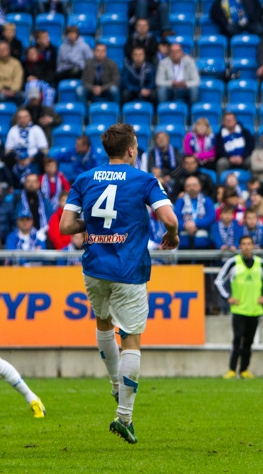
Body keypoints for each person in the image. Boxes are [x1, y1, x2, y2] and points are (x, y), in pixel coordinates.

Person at [59, 123, 179, 444]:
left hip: (95, 267)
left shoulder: (84, 179)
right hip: (129, 269)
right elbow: (169, 218)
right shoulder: (144, 180)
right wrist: (173, 235)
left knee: (103, 324)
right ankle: (124, 416)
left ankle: (115, 384)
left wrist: (93, 222)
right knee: (132, 338)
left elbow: (66, 225)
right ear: (130, 150)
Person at [216, 235, 263, 379]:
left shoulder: (260, 263)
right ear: (240, 246)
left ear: (253, 246)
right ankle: (231, 369)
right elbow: (219, 280)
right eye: (244, 244)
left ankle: (244, 370)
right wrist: (227, 297)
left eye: (249, 244)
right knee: (237, 338)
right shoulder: (233, 262)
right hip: (239, 308)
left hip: (254, 309)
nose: (247, 247)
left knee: (249, 341)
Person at [173, 175, 215, 249]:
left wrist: (195, 223)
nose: (191, 188)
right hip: (184, 242)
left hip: (203, 242)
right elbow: (175, 219)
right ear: (185, 188)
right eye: (188, 186)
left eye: (194, 185)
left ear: (200, 186)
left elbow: (211, 217)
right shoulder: (180, 201)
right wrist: (185, 225)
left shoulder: (207, 201)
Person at [214, 112, 254, 176]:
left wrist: (242, 157)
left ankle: (253, 183)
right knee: (221, 163)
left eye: (231, 120)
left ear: (235, 121)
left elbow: (250, 147)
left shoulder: (245, 132)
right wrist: (230, 157)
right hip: (228, 159)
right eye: (227, 120)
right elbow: (219, 150)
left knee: (252, 161)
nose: (229, 122)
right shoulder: (219, 136)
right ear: (223, 122)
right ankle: (221, 184)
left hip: (243, 158)